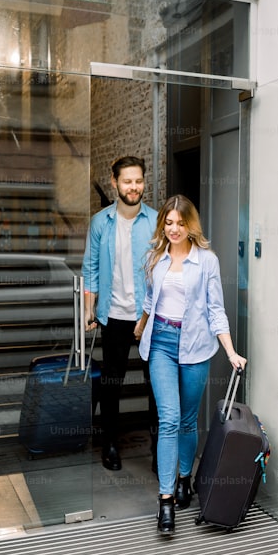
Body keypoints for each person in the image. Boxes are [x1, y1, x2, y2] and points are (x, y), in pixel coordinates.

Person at [133, 195, 247, 535]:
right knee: (168, 418)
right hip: (161, 345)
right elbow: (151, 299)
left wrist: (229, 351)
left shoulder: (207, 261)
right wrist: (141, 326)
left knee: (186, 420)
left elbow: (215, 310)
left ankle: (185, 476)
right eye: (168, 223)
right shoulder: (154, 258)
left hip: (196, 346)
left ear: (190, 225)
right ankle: (165, 503)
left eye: (180, 223)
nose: (173, 229)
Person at [82, 156, 158, 471]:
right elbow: (90, 269)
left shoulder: (157, 221)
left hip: (150, 317)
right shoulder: (101, 222)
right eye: (127, 181)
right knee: (112, 383)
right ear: (114, 182)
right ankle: (110, 444)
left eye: (138, 180)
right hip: (113, 315)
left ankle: (159, 452)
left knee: (156, 384)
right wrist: (89, 311)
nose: (134, 187)